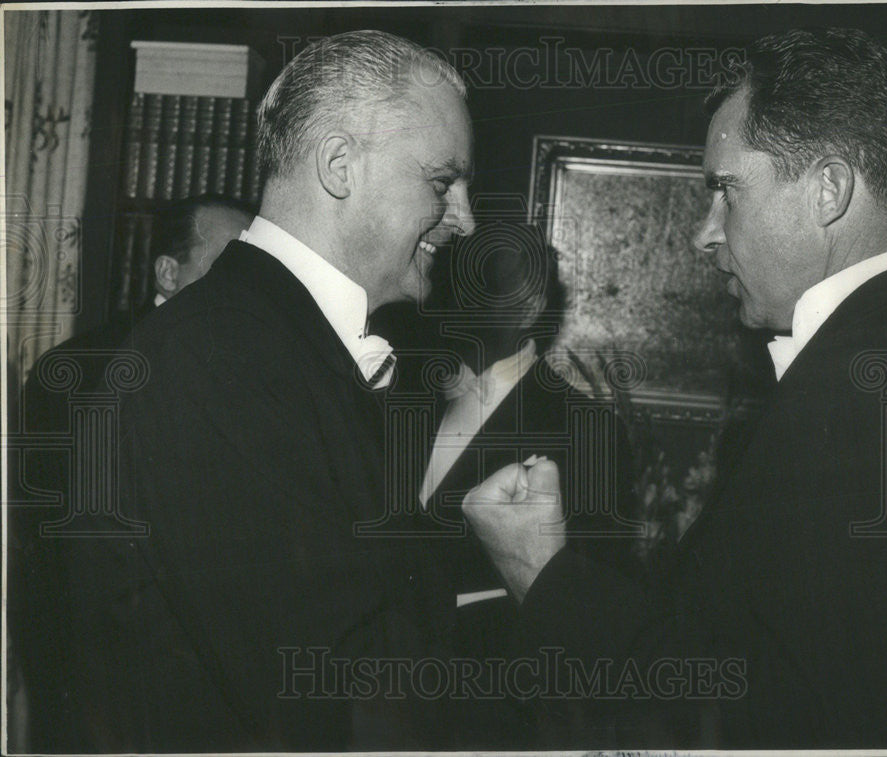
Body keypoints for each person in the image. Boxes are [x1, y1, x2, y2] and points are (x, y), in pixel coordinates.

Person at [463, 27, 887, 748]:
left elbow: (779, 720)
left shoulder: (862, 391)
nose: (704, 234)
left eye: (725, 191)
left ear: (830, 190)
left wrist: (542, 570)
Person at [62, 31, 474, 751]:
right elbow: (326, 690)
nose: (466, 218)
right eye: (443, 183)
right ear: (341, 165)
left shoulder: (275, 340)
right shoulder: (217, 354)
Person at [8, 193, 253, 753]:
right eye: (231, 263)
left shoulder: (263, 373)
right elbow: (47, 554)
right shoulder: (76, 371)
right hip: (104, 676)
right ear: (168, 271)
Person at [418, 224, 641, 746]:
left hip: (489, 715)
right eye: (456, 282)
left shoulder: (586, 430)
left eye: (489, 284)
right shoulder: (392, 394)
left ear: (532, 303)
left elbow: (578, 606)